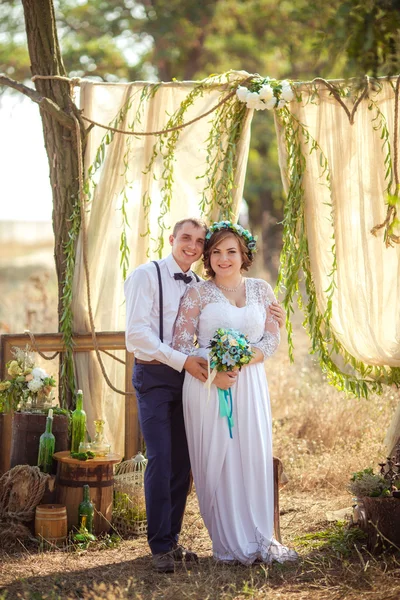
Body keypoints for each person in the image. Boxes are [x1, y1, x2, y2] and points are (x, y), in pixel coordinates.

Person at [125, 218, 286, 572]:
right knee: (163, 458)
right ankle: (161, 546)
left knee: (183, 464)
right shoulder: (147, 276)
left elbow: (267, 336)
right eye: (189, 239)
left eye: (200, 241)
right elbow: (137, 334)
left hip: (211, 377)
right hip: (162, 375)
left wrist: (241, 358)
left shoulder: (205, 285)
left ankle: (174, 540)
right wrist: (204, 370)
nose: (194, 246)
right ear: (172, 239)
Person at [173, 221, 297, 565]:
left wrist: (241, 361)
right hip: (207, 386)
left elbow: (271, 340)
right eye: (215, 252)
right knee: (219, 463)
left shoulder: (262, 290)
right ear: (208, 257)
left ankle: (259, 535)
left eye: (231, 251)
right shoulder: (197, 293)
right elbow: (182, 345)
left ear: (244, 255)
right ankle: (228, 542)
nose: (223, 258)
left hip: (251, 384)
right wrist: (215, 373)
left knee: (252, 456)